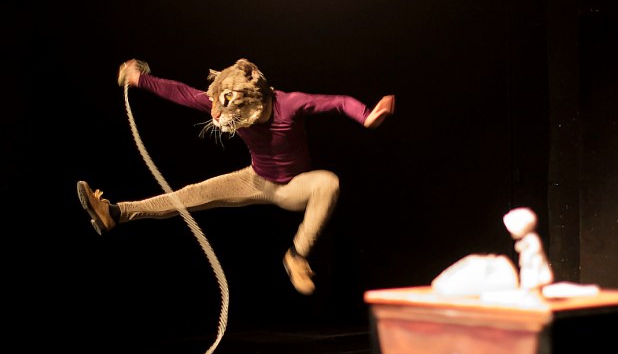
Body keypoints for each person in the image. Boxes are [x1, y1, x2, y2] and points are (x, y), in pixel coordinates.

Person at [77, 58, 394, 295]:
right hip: (255, 178)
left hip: (293, 187)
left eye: (225, 102)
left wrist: (366, 116)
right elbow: (182, 93)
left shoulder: (289, 104)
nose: (216, 113)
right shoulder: (225, 107)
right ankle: (114, 213)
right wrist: (139, 79)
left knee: (328, 182)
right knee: (189, 195)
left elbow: (337, 102)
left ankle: (297, 256)